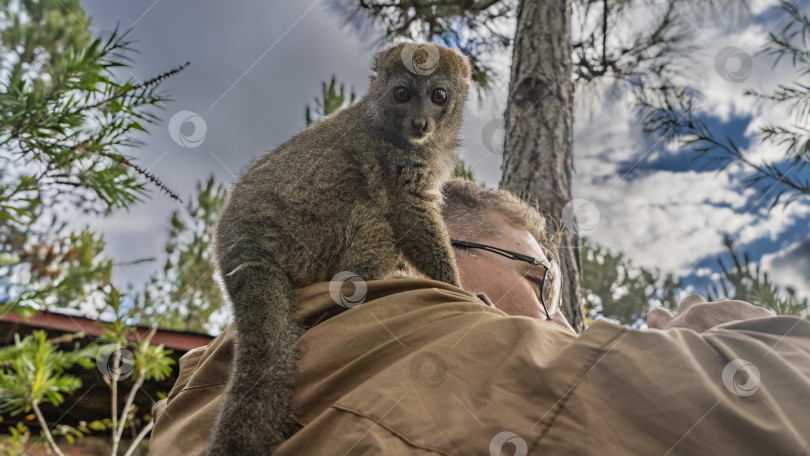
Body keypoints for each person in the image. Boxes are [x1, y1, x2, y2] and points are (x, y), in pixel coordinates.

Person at [149, 179, 810, 455]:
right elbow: (775, 414)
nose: (562, 322)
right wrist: (730, 331)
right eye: (537, 282)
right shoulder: (389, 328)